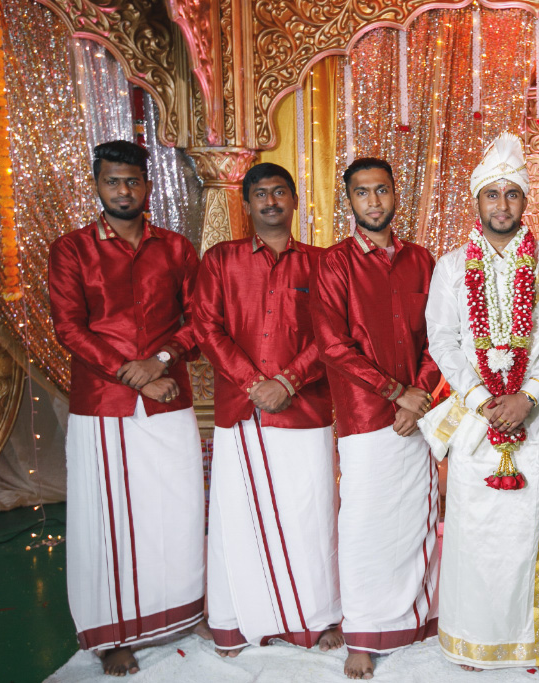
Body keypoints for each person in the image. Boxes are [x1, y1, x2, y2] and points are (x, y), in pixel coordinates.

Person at [421, 132, 539, 672]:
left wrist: (527, 396)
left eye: (511, 194)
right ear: (477, 201)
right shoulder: (451, 268)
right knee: (477, 538)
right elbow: (442, 340)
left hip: (537, 422)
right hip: (477, 421)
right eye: (491, 194)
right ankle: (473, 639)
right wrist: (480, 398)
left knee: (537, 535)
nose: (501, 205)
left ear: (524, 200)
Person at [48, 140, 204, 676]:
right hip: (104, 404)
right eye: (112, 181)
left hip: (169, 396)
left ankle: (182, 614)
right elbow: (69, 327)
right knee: (109, 519)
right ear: (97, 185)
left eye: (132, 181)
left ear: (148, 187)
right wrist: (128, 373)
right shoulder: (71, 249)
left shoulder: (176, 249)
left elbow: (199, 321)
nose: (123, 190)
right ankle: (114, 633)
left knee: (178, 509)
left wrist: (160, 362)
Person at [194, 163, 342, 657]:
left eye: (280, 192)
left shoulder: (323, 263)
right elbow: (206, 328)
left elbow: (333, 335)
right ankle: (233, 620)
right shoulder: (221, 260)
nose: (271, 201)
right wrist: (254, 383)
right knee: (238, 518)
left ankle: (317, 618)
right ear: (247, 204)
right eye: (261, 194)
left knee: (311, 516)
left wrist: (288, 381)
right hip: (242, 409)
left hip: (305, 410)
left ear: (294, 200)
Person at [311, 158, 441, 680]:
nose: (373, 201)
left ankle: (416, 619)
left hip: (419, 413)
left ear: (394, 194)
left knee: (416, 518)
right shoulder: (335, 264)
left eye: (381, 190)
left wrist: (420, 393)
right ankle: (363, 635)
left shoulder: (422, 260)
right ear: (350, 201)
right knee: (365, 525)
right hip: (366, 416)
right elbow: (332, 345)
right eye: (362, 192)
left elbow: (440, 336)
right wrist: (396, 394)